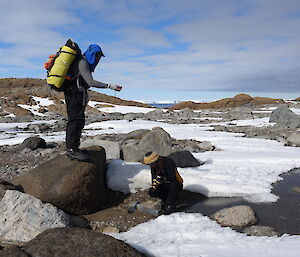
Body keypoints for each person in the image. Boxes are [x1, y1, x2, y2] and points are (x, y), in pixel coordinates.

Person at [63, 42, 122, 162]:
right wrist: (110, 86)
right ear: (92, 53)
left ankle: (74, 148)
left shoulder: (83, 62)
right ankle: (71, 150)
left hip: (75, 94)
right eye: (97, 55)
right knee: (75, 120)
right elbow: (91, 82)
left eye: (99, 56)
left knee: (78, 120)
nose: (98, 59)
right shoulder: (83, 62)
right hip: (74, 94)